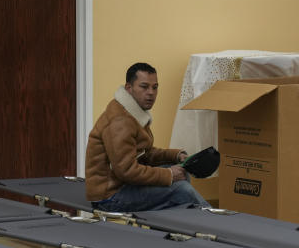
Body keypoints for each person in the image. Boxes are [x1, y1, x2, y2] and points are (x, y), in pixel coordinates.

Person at [86, 62, 208, 212]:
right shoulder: (121, 121)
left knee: (182, 174)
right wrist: (168, 174)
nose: (151, 92)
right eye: (144, 87)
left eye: (155, 87)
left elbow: (145, 153)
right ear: (129, 88)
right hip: (109, 196)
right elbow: (127, 170)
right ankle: (216, 226)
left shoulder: (133, 112)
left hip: (123, 185)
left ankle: (177, 230)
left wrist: (176, 155)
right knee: (182, 190)